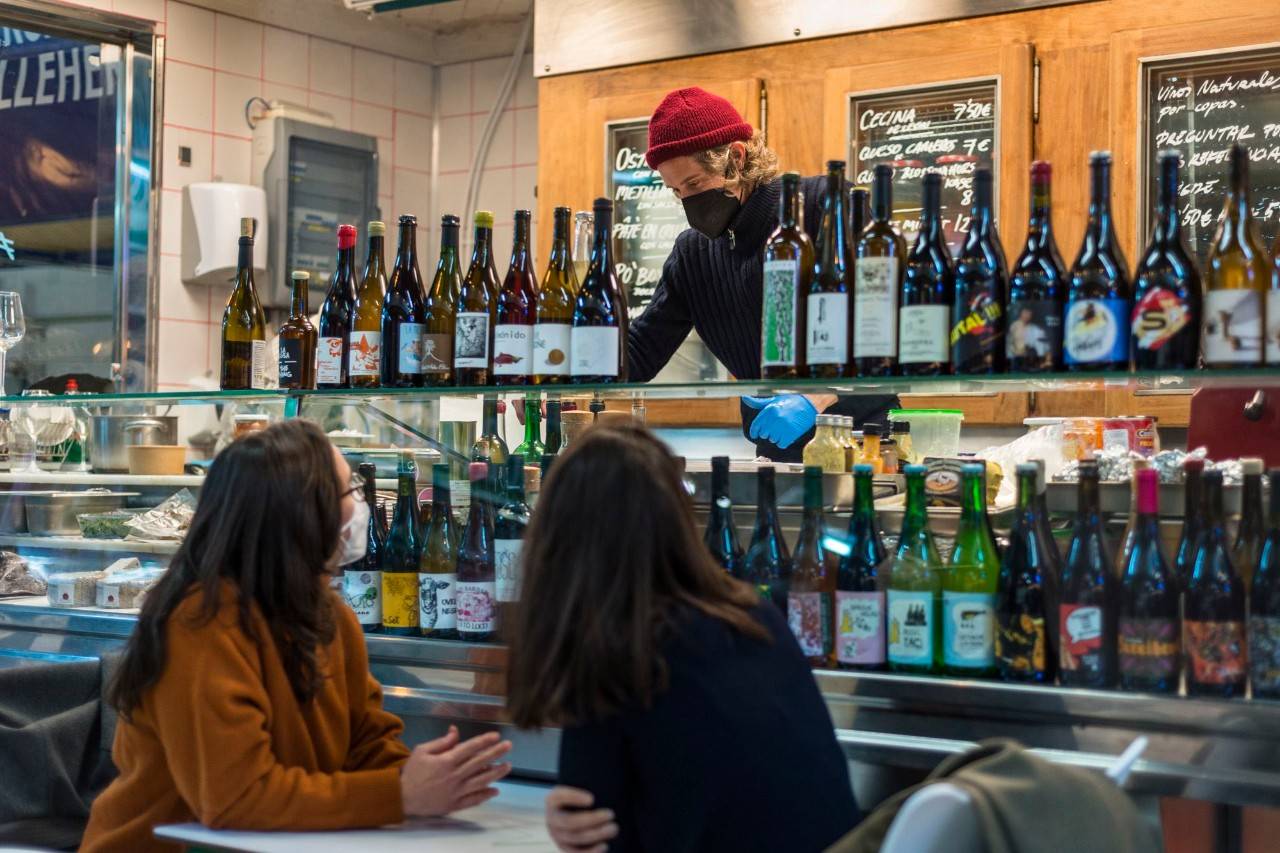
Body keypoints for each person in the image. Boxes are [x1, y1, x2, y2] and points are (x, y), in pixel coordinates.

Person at [81, 420, 512, 852]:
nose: (361, 505)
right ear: (302, 513)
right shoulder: (201, 623)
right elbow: (235, 800)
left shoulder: (331, 617)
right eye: (350, 492)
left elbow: (365, 744)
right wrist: (399, 795)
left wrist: (425, 777)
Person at [506, 424, 860, 852]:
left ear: (556, 540)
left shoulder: (615, 648)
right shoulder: (755, 615)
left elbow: (597, 827)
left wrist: (573, 823)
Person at [628, 86, 897, 461]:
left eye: (694, 184)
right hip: (776, 455)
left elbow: (880, 321)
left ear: (736, 158)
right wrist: (560, 370)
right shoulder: (692, 254)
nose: (689, 202)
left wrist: (813, 399)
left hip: (868, 446)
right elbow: (641, 350)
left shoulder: (824, 205)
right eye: (676, 191)